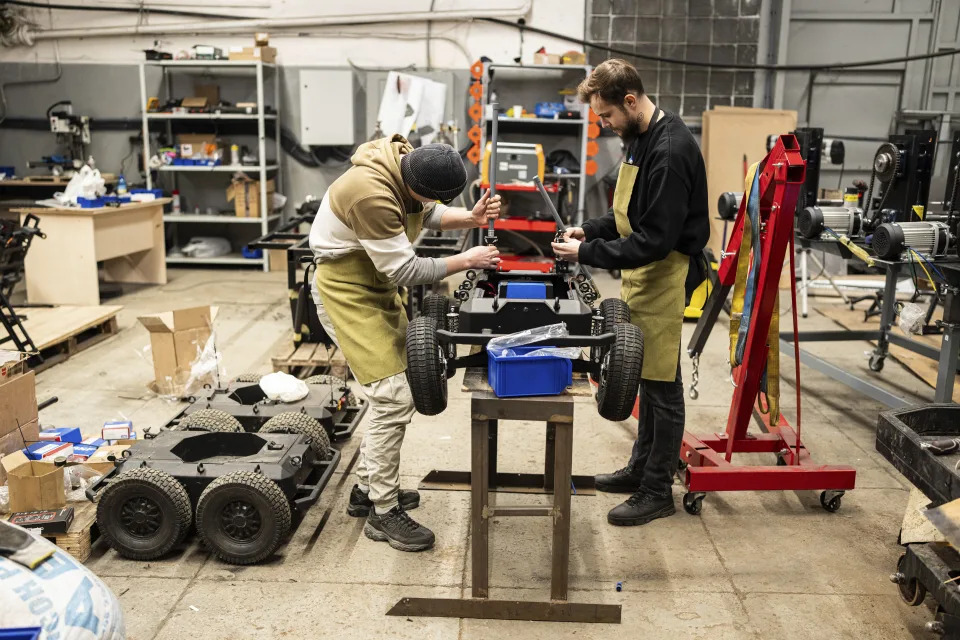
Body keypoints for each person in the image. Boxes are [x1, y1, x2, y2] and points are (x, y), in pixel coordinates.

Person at [309, 135, 501, 551]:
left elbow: (427, 213)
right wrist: (468, 260)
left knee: (395, 393)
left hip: (371, 286)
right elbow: (404, 268)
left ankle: (367, 490)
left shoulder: (405, 164)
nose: (426, 205)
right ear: (415, 179)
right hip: (347, 293)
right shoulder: (369, 195)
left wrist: (469, 217)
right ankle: (383, 511)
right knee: (393, 396)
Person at [551, 59, 709, 526]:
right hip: (642, 270)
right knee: (643, 373)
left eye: (607, 116)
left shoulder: (672, 150)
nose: (605, 125)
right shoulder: (639, 139)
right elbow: (628, 217)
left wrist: (588, 255)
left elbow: (655, 238)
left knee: (662, 386)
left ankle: (657, 490)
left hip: (663, 272)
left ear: (631, 101)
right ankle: (641, 469)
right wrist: (587, 230)